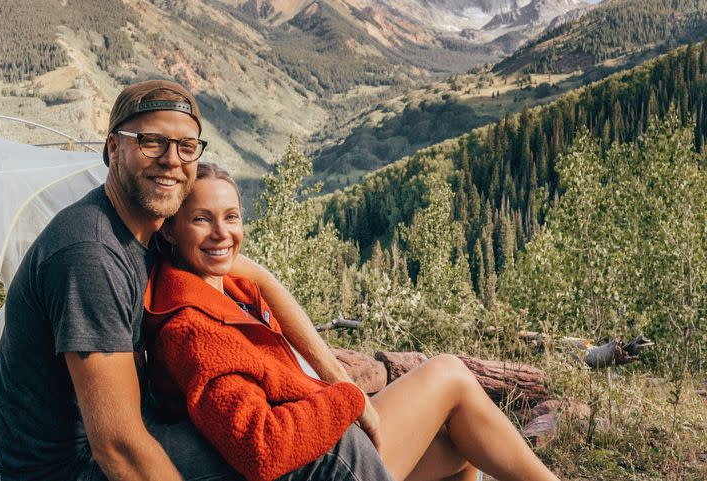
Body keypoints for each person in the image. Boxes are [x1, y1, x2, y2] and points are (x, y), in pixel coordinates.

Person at [0, 79, 390, 481]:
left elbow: (259, 277)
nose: (171, 160)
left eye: (186, 147)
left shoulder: (154, 229)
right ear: (113, 148)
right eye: (152, 142)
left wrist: (338, 380)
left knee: (301, 429)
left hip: (140, 434)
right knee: (333, 450)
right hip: (73, 471)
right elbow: (118, 447)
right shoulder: (92, 255)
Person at [145, 162, 564, 481]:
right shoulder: (191, 329)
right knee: (450, 375)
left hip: (319, 444)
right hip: (315, 464)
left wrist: (243, 267)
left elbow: (260, 279)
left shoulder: (227, 288)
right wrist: (347, 397)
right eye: (202, 219)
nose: (222, 233)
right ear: (169, 231)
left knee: (460, 446)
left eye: (231, 217)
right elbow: (262, 447)